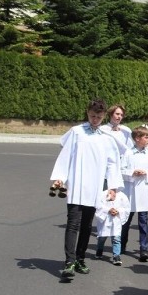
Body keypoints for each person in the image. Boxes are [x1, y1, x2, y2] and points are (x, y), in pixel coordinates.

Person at [50, 98, 124, 278]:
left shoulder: (107, 138)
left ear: (104, 116)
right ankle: (69, 261)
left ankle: (80, 259)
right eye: (92, 116)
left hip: (95, 188)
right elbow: (65, 154)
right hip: (76, 186)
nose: (95, 119)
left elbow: (112, 163)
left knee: (86, 226)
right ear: (87, 113)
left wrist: (113, 187)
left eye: (98, 117)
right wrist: (60, 178)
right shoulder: (77, 132)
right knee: (73, 224)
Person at [120, 126, 148, 262]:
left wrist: (147, 173)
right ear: (137, 139)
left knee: (143, 221)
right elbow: (121, 170)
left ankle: (144, 249)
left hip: (143, 191)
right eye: (146, 137)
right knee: (126, 220)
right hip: (130, 191)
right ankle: (121, 244)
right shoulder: (128, 153)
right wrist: (132, 173)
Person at [94, 185, 131, 266]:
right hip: (105, 220)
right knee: (102, 238)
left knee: (116, 238)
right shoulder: (103, 194)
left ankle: (116, 256)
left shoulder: (122, 196)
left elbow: (126, 208)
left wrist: (118, 211)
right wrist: (108, 210)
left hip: (116, 220)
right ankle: (99, 250)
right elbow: (98, 206)